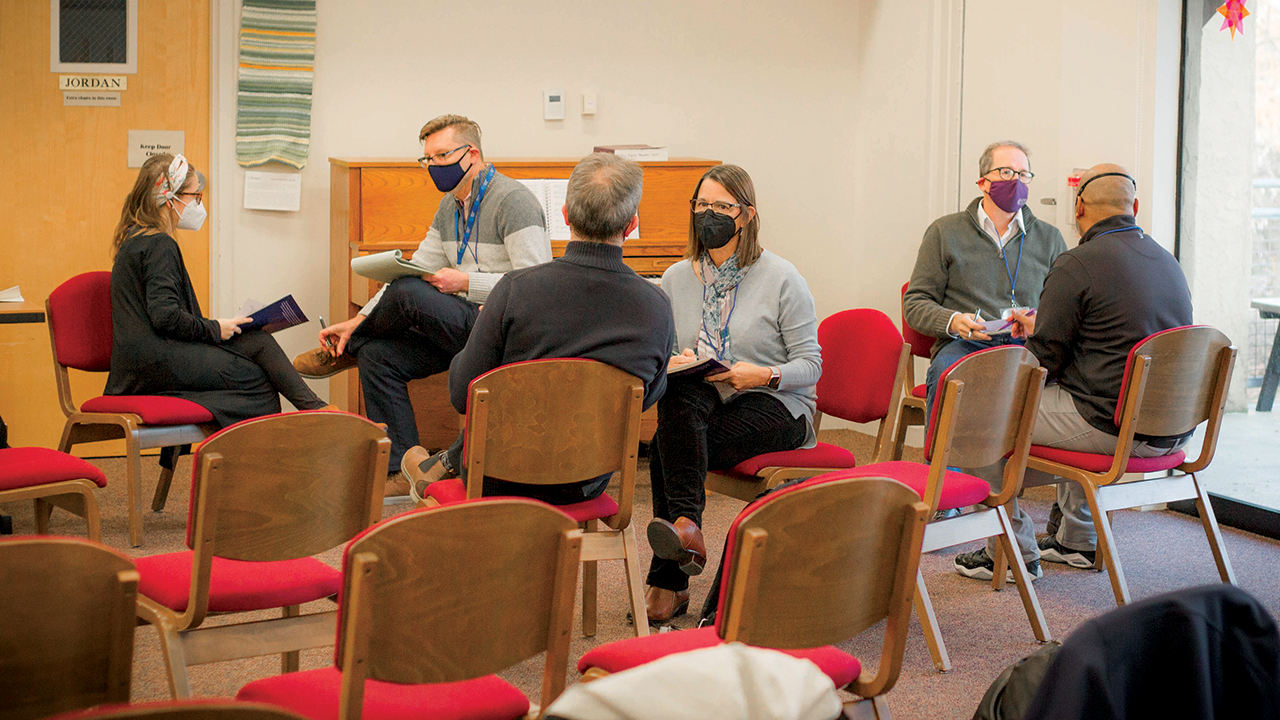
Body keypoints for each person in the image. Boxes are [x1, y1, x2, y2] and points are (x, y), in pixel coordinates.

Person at [293, 115, 551, 500]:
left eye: (442, 155)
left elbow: (536, 285)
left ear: (472, 154)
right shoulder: (449, 208)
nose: (433, 166)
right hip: (461, 328)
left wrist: (466, 282)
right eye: (426, 159)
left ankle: (351, 346)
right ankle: (402, 469)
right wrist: (357, 321)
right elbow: (409, 273)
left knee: (410, 294)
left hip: (498, 328)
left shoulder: (513, 201)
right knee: (380, 355)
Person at [399, 152, 673, 505]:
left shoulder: (516, 288)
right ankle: (445, 462)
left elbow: (459, 393)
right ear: (631, 225)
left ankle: (445, 463)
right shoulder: (656, 305)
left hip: (497, 476)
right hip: (587, 480)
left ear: (565, 216)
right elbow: (648, 396)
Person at [644, 164, 822, 624]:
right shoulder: (676, 278)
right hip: (705, 401)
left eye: (721, 206)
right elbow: (665, 352)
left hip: (779, 404)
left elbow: (811, 366)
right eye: (701, 205)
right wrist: (681, 360)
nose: (709, 215)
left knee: (669, 445)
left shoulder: (782, 277)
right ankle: (686, 529)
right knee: (680, 401)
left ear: (745, 215)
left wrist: (759, 374)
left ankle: (670, 576)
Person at [1005, 164, 1192, 570]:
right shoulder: (1168, 263)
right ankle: (1077, 539)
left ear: (1078, 208)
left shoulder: (1077, 263)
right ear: (1135, 207)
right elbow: (1118, 338)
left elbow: (1044, 360)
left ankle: (1005, 550)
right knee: (1080, 390)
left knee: (989, 409)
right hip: (1173, 430)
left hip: (1114, 428)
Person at [904, 140, 1067, 582]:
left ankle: (1065, 529)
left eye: (1023, 175)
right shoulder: (944, 232)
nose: (1015, 182)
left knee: (1076, 381)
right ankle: (947, 486)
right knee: (947, 371)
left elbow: (1063, 308)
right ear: (983, 181)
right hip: (967, 343)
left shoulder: (1049, 238)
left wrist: (1036, 320)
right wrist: (954, 321)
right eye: (1006, 173)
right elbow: (915, 303)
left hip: (1021, 349)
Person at [106, 153, 329, 432]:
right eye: (194, 195)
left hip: (147, 360)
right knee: (256, 380)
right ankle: (314, 420)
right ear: (171, 197)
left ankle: (318, 411)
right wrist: (214, 328)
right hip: (154, 363)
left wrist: (220, 327)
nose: (197, 203)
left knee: (257, 341)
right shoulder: (159, 244)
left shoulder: (137, 237)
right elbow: (165, 317)